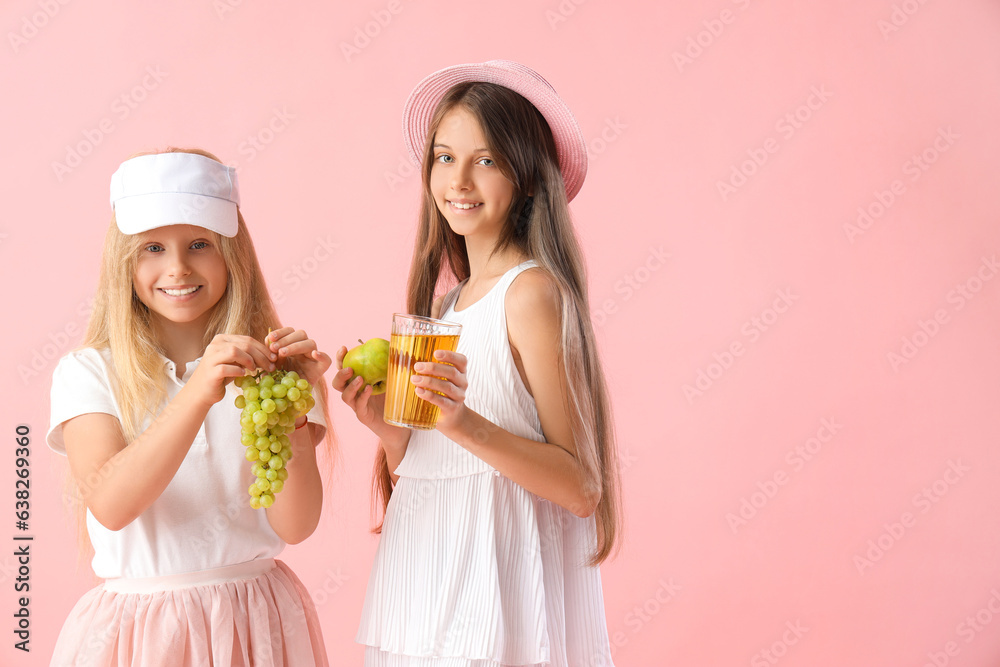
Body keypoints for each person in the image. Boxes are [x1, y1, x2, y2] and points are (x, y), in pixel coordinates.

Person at [333, 60, 622, 667]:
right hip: (426, 587)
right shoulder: (447, 305)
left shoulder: (531, 294)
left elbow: (581, 486)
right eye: (444, 157)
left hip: (497, 604)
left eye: (485, 160)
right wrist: (389, 430)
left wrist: (463, 423)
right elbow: (434, 469)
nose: (458, 180)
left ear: (526, 177)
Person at [47, 148, 332, 666]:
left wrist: (293, 419)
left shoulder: (270, 371)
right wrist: (200, 389)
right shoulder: (88, 373)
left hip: (256, 622)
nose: (177, 267)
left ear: (233, 255)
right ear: (123, 261)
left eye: (200, 243)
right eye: (152, 247)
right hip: (143, 634)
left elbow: (296, 525)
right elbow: (111, 505)